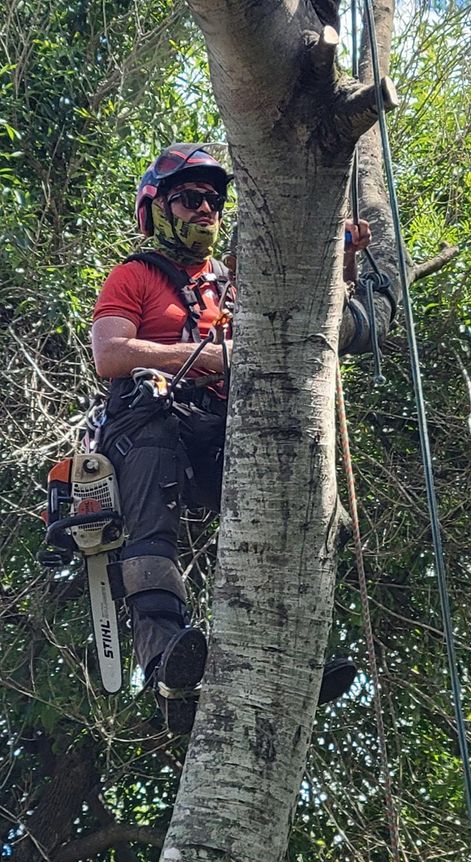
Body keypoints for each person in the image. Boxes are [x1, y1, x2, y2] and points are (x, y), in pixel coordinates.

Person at [92, 144, 372, 733]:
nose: (205, 210)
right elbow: (110, 353)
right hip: (151, 420)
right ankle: (165, 661)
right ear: (157, 208)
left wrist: (338, 263)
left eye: (214, 202)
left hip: (222, 428)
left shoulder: (236, 283)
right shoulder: (135, 275)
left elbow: (301, 313)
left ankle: (287, 658)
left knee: (289, 513)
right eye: (190, 199)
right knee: (152, 526)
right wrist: (209, 360)